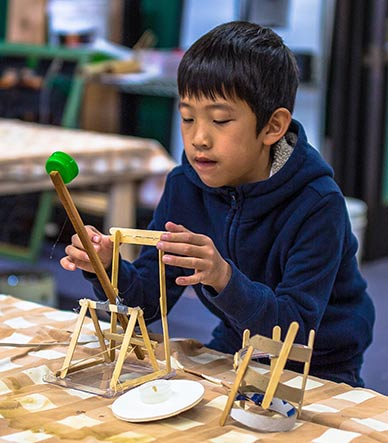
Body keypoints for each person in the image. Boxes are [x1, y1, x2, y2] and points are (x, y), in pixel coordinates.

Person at [60, 21, 375, 387]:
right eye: (187, 117)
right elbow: (148, 303)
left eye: (220, 120)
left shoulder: (317, 204)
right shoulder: (184, 188)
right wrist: (107, 267)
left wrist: (223, 278)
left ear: (273, 127)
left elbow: (296, 331)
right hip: (238, 338)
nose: (198, 139)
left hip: (317, 361)